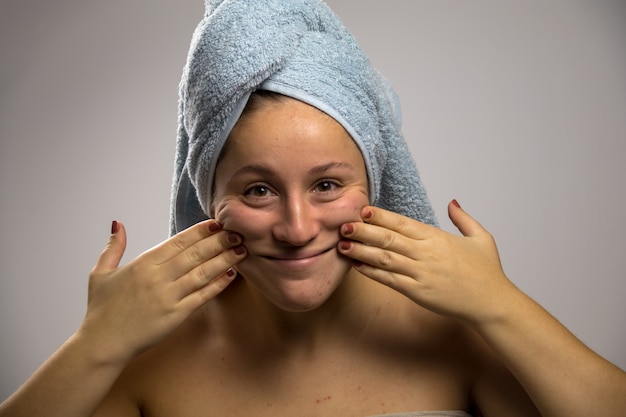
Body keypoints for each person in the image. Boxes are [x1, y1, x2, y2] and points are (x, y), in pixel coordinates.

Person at [1, 1, 625, 416]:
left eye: (327, 184)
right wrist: (93, 347)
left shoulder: (457, 330)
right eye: (257, 190)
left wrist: (502, 304)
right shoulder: (144, 355)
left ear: (375, 178)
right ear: (206, 195)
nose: (298, 231)